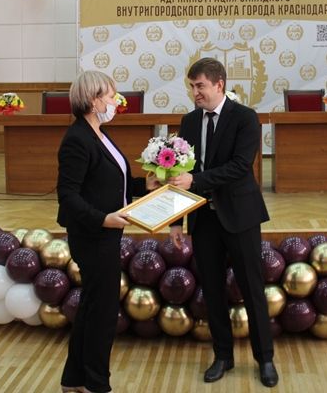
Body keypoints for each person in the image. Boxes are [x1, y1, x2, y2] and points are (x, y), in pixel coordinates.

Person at [168, 57, 278, 388]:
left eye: (200, 86)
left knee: (252, 289)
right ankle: (223, 356)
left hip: (240, 217)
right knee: (213, 290)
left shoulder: (245, 117)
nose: (195, 93)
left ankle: (265, 358)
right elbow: (179, 174)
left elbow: (240, 166)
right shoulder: (188, 121)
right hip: (203, 220)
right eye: (192, 86)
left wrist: (196, 180)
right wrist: (176, 221)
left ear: (220, 84)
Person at [57, 70, 157, 393]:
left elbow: (113, 182)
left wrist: (144, 186)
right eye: (111, 96)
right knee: (102, 314)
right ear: (93, 100)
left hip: (106, 234)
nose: (115, 101)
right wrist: (103, 219)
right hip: (92, 237)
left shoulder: (99, 132)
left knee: (91, 308)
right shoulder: (77, 139)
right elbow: (68, 196)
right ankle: (97, 384)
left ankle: (74, 379)